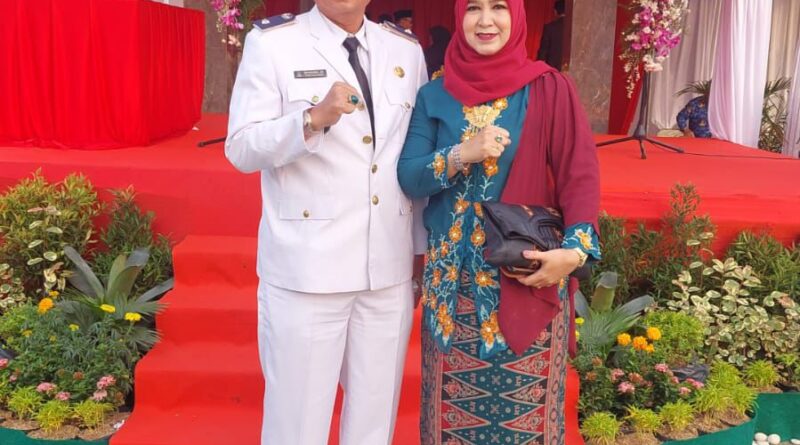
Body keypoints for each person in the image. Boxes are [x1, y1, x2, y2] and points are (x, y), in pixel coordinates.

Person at [397, 0, 601, 443]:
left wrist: (574, 253)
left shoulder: (548, 88)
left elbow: (580, 175)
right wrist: (462, 153)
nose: (485, 20)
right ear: (459, 17)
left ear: (518, 16)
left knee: (526, 422)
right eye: (473, 8)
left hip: (527, 275)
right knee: (450, 423)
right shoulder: (435, 94)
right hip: (453, 290)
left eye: (498, 7)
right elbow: (409, 175)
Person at [224, 1, 428, 444]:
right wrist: (311, 120)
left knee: (375, 421)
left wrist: (419, 250)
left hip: (386, 269)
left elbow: (413, 154)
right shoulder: (274, 43)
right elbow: (241, 147)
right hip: (308, 270)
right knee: (297, 424)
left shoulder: (406, 51)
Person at [537, 0, 566, 70]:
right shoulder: (573, 29)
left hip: (551, 70)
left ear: (555, 11)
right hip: (569, 71)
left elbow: (542, 53)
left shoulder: (549, 27)